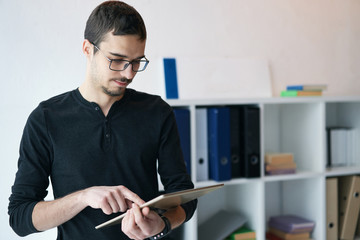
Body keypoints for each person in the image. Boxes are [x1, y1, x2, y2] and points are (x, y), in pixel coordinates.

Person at [8, 1, 197, 240]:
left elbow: (184, 197)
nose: (128, 73)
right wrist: (83, 197)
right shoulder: (46, 119)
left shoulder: (157, 112)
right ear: (87, 49)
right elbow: (20, 218)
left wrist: (162, 224)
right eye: (117, 60)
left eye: (137, 62)